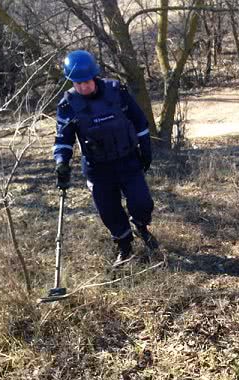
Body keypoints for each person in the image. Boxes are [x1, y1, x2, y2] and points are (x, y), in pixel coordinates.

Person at [53, 49, 158, 268]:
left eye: (86, 82)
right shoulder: (68, 105)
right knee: (109, 212)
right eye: (77, 83)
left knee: (142, 203)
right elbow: (63, 139)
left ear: (95, 76)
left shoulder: (116, 92)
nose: (82, 87)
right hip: (97, 168)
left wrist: (146, 149)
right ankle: (124, 246)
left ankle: (140, 225)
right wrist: (61, 163)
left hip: (127, 160)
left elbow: (140, 122)